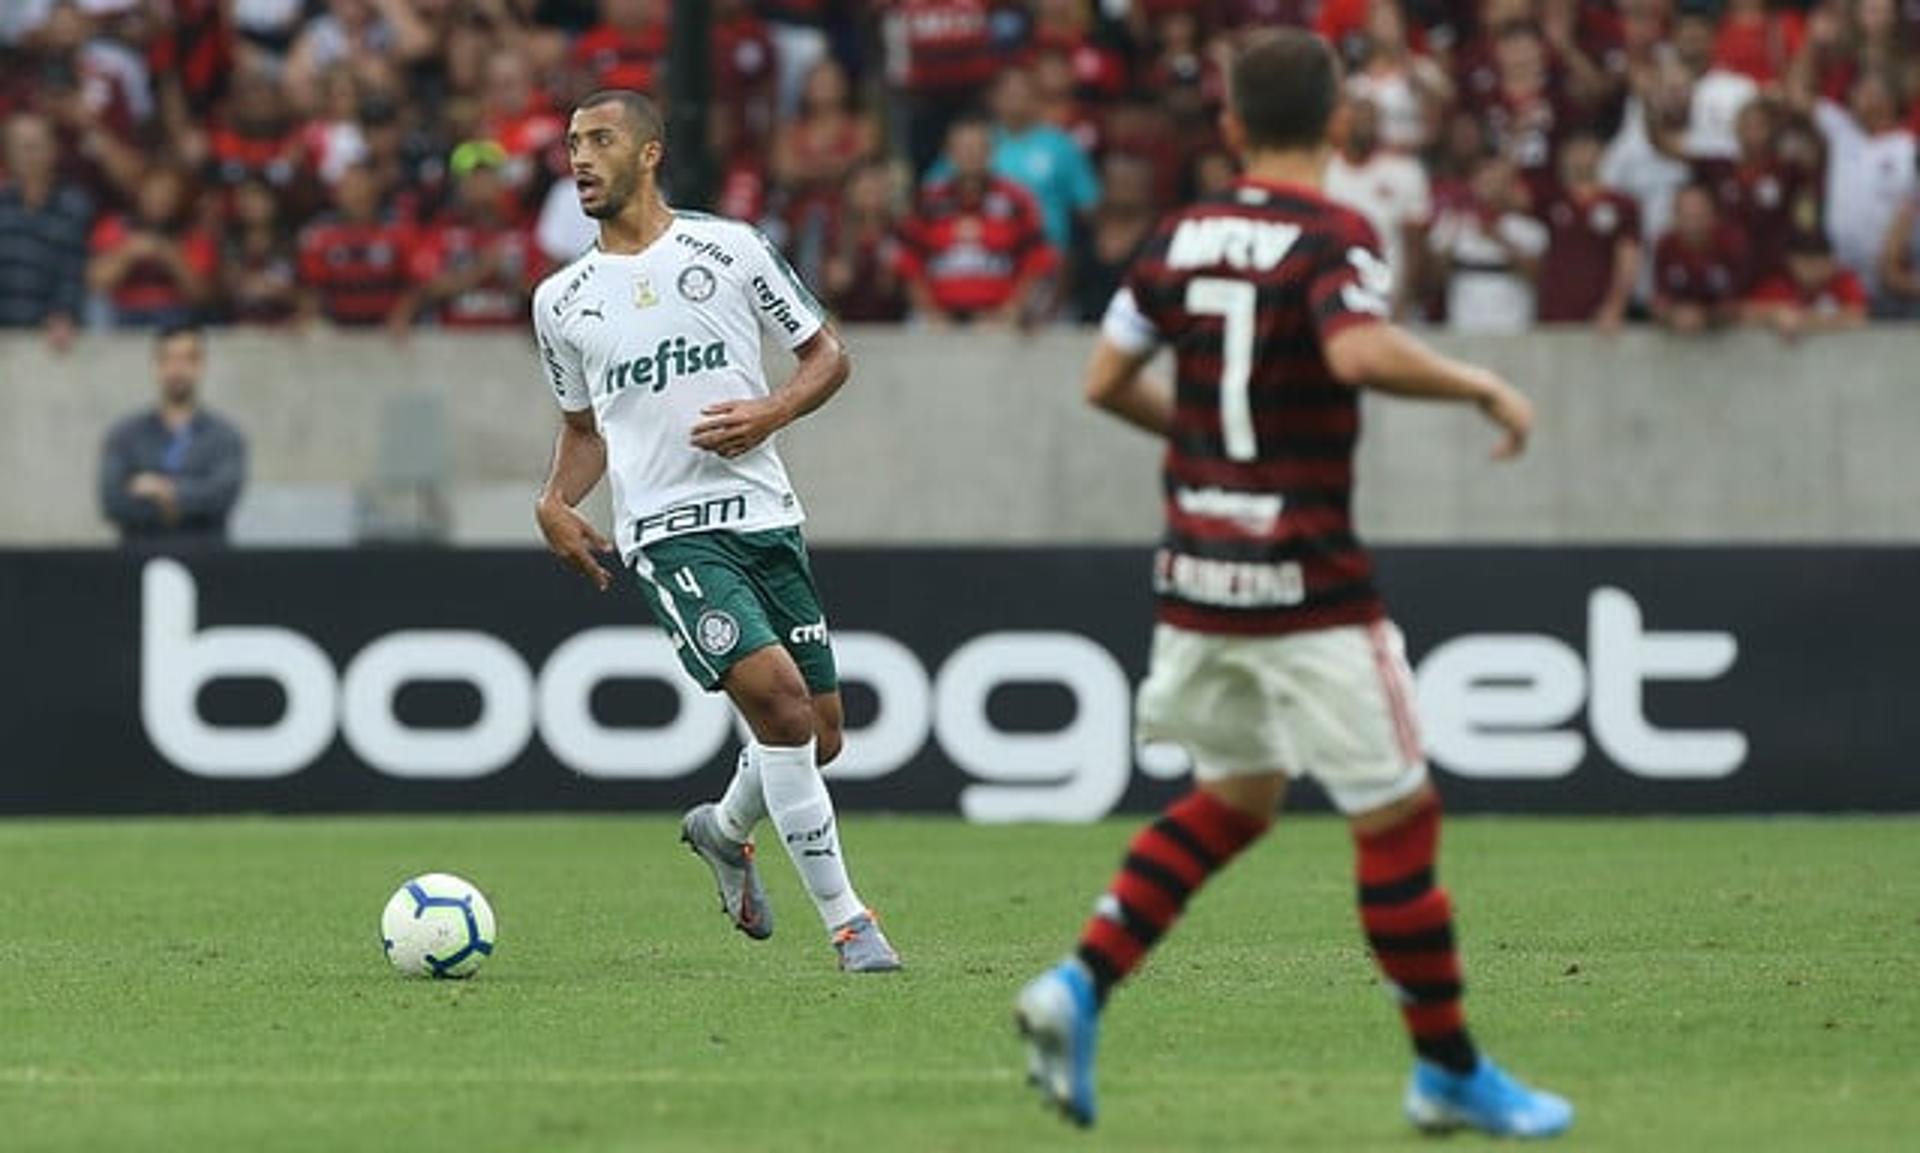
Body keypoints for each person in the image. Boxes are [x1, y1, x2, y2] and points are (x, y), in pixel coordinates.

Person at [1014, 29, 1572, 1140]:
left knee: (1236, 799)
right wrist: (1481, 386)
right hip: (1305, 582)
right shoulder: (1333, 233)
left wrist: (1214, 450)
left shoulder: (1176, 236)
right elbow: (1359, 354)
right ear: (1338, 126)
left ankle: (1079, 982)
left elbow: (1103, 377)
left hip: (1199, 575)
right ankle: (1447, 1067)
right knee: (1400, 817)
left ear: (1228, 127)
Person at [529, 90, 900, 973]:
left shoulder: (729, 249)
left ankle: (726, 830)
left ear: (650, 154)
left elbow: (828, 354)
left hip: (766, 516)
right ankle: (851, 925)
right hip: (667, 533)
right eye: (572, 144)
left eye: (600, 140)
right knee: (778, 704)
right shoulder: (561, 299)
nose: (579, 158)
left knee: (822, 733)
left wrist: (767, 414)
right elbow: (586, 430)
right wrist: (554, 501)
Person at [896, 116, 1058, 327]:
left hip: (1000, 320)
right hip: (936, 319)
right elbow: (909, 264)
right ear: (949, 153)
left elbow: (1037, 262)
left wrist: (1010, 311)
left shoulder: (1017, 201)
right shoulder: (927, 202)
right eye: (963, 148)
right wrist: (931, 314)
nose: (971, 155)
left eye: (978, 147)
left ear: (991, 152)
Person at [98, 322, 247, 550]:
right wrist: (188, 500)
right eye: (168, 358)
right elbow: (113, 501)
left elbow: (221, 497)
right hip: (138, 559)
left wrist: (162, 490)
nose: (177, 369)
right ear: (156, 365)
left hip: (208, 560)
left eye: (187, 359)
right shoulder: (125, 435)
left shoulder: (225, 437)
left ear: (201, 365)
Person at [0, 111, 90, 352]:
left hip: (52, 333)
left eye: (36, 145)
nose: (29, 154)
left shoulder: (74, 206)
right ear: (8, 153)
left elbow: (74, 270)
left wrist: (64, 313)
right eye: (21, 146)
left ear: (53, 149)